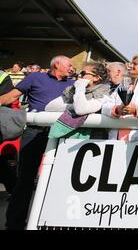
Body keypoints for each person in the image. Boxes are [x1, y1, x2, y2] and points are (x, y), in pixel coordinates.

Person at [0, 55, 74, 230]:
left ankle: (51, 223)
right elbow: (10, 97)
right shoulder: (35, 77)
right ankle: (14, 224)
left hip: (61, 135)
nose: (72, 68)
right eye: (69, 64)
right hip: (34, 133)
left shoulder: (73, 84)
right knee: (25, 180)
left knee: (58, 181)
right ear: (57, 64)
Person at [45, 62, 110, 139]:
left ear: (96, 78)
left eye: (83, 73)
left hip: (90, 138)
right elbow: (49, 107)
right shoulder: (72, 90)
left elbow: (80, 110)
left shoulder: (103, 94)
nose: (79, 75)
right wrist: (74, 106)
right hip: (66, 137)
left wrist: (80, 87)